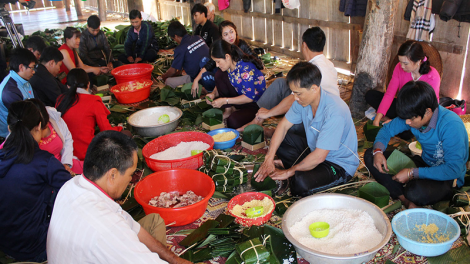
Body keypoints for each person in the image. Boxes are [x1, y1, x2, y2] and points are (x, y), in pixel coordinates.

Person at [47, 131, 191, 264]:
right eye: (131, 174)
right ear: (113, 175)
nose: (130, 180)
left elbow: (132, 226)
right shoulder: (107, 229)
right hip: (101, 239)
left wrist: (174, 259)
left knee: (154, 222)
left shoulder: (72, 185)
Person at [254, 62, 358, 197]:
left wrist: (288, 172)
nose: (295, 98)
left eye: (298, 94)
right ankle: (300, 168)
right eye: (293, 93)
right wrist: (269, 157)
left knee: (300, 184)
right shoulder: (302, 102)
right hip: (314, 150)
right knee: (282, 138)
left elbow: (320, 157)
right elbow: (283, 126)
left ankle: (298, 171)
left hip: (337, 165)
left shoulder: (334, 112)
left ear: (314, 88)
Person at [364, 81, 468, 208]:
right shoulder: (413, 114)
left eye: (411, 119)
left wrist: (412, 173)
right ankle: (405, 200)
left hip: (447, 176)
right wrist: (378, 151)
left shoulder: (451, 125)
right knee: (370, 155)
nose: (407, 122)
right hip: (425, 163)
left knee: (415, 192)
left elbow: (453, 169)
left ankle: (407, 193)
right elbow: (386, 130)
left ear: (428, 112)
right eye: (406, 118)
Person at [0, 100, 71, 262]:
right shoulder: (44, 162)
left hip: (6, 244)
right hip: (37, 247)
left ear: (9, 129)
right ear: (39, 126)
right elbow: (71, 190)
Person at [239, 26, 339, 131]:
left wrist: (269, 113)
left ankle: (268, 129)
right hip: (326, 110)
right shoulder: (329, 65)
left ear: (304, 45)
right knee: (281, 83)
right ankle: (257, 120)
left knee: (289, 123)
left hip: (316, 118)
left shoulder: (313, 69)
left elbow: (294, 99)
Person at [366, 40, 441, 127]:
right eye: (400, 61)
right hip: (401, 106)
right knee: (370, 95)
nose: (401, 66)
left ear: (418, 61)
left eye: (405, 63)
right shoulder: (399, 68)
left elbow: (430, 108)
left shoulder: (432, 76)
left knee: (407, 131)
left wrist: (404, 121)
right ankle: (392, 120)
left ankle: (395, 121)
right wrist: (377, 118)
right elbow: (390, 94)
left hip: (417, 113)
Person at [56, 68, 124, 161]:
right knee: (126, 135)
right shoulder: (93, 101)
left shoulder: (60, 100)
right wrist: (119, 128)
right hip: (87, 154)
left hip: (65, 155)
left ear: (68, 86)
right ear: (88, 84)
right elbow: (107, 131)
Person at [206, 39, 266, 129]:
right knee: (219, 74)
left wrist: (225, 100)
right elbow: (220, 84)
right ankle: (229, 109)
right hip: (241, 97)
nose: (217, 65)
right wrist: (213, 94)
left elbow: (249, 97)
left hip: (255, 103)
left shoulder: (245, 69)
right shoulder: (230, 66)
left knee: (233, 122)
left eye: (218, 61)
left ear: (227, 57)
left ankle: (237, 110)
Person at [191, 20, 259, 97]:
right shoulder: (221, 48)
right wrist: (196, 80)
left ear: (235, 32)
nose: (230, 36)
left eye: (231, 32)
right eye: (226, 34)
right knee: (204, 62)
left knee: (212, 76)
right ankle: (213, 91)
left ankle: (213, 91)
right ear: (222, 37)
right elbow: (209, 64)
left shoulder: (242, 44)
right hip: (226, 72)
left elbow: (255, 59)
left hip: (239, 77)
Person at [28, 98, 83, 175]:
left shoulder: (54, 117)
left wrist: (66, 163)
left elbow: (67, 139)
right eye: (41, 129)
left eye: (46, 126)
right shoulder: (26, 139)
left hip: (65, 163)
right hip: (49, 173)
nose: (43, 133)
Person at [159, 20, 209, 88]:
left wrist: (163, 76)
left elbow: (172, 71)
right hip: (213, 72)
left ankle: (200, 89)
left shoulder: (180, 49)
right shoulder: (198, 37)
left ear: (176, 36)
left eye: (173, 39)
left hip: (200, 80)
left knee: (168, 81)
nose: (175, 41)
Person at [0, 47, 37, 138]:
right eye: (31, 68)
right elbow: (24, 119)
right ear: (21, 67)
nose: (33, 72)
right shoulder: (10, 91)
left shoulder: (23, 80)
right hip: (13, 135)